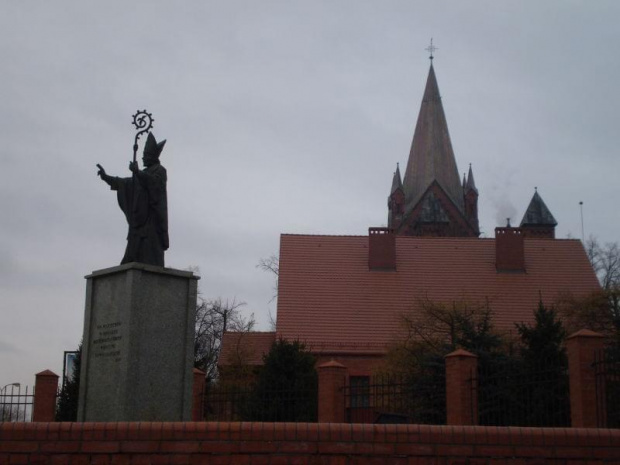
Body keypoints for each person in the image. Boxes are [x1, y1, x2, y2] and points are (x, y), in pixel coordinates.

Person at [96, 133, 168, 266]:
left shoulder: (160, 171)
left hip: (151, 220)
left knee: (150, 252)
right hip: (138, 221)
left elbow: (154, 185)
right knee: (132, 253)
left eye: (146, 155)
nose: (143, 158)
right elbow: (124, 183)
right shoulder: (142, 173)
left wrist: (137, 172)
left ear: (153, 157)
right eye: (143, 155)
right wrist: (106, 177)